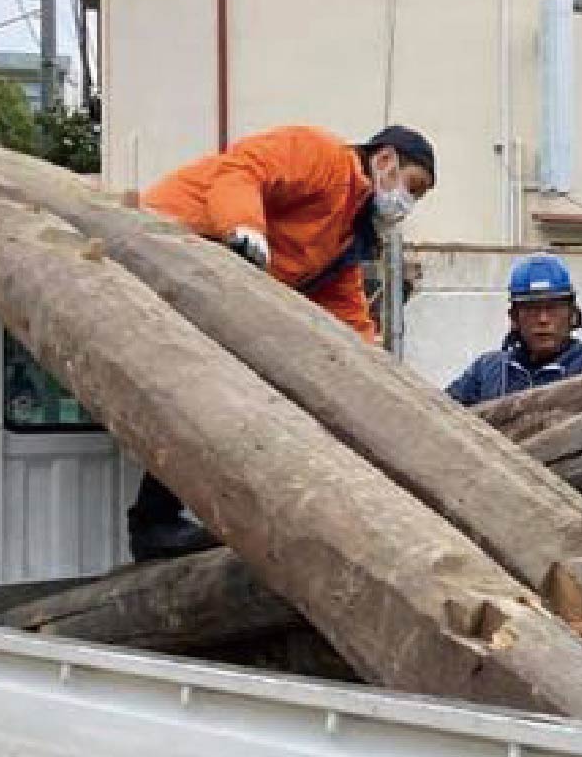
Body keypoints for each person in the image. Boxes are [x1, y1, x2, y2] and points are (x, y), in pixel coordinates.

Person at [128, 122, 436, 560]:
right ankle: (153, 521)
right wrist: (244, 226)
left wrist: (377, 374)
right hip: (175, 240)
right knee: (210, 394)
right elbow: (240, 171)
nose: (408, 203)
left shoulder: (346, 234)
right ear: (385, 159)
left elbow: (345, 309)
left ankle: (165, 518)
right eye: (414, 186)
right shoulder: (323, 157)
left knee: (230, 399)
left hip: (216, 267)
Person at [446, 252, 582, 406]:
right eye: (532, 309)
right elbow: (443, 413)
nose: (543, 319)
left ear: (572, 315)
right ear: (514, 318)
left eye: (552, 308)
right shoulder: (488, 370)